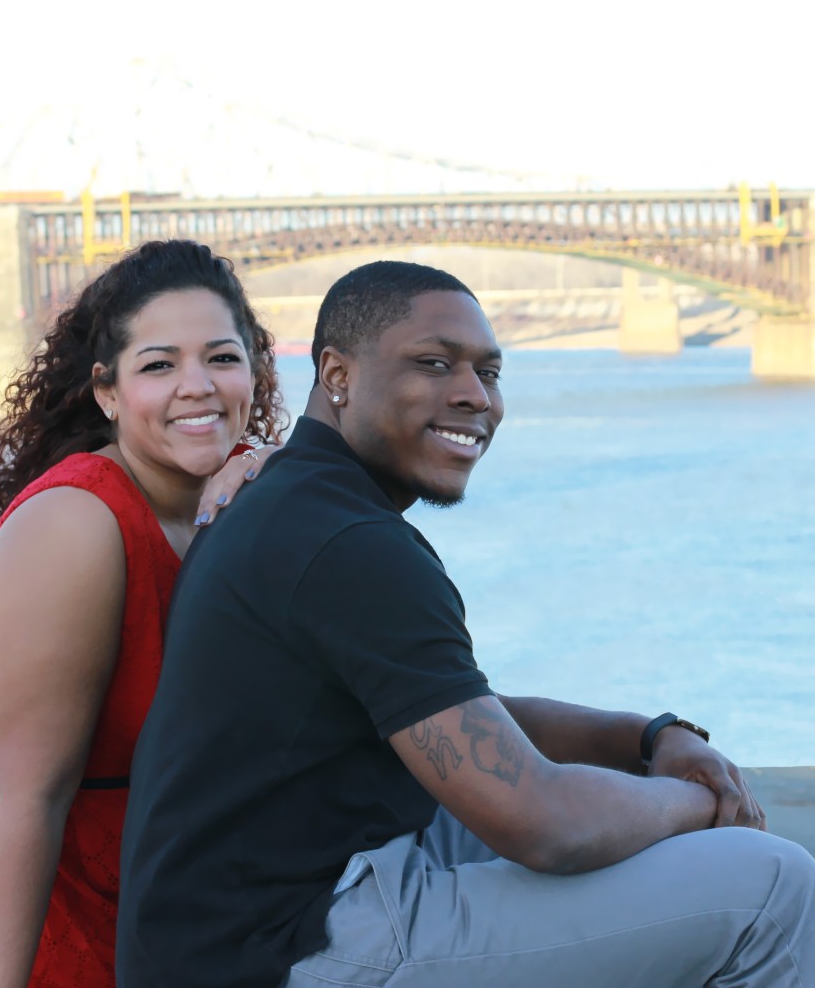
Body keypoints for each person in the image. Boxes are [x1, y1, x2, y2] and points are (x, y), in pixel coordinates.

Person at [116, 260, 815, 988]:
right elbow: (545, 826)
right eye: (433, 364)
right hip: (280, 948)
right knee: (769, 884)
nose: (474, 396)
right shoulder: (348, 543)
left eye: (489, 373)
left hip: (226, 928)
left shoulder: (290, 501)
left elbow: (454, 715)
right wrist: (700, 803)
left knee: (619, 820)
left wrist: (647, 738)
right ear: (337, 374)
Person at [0, 238, 287, 988]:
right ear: (108, 392)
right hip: (91, 915)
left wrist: (284, 481)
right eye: (159, 365)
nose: (197, 386)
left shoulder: (257, 497)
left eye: (222, 358)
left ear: (254, 373)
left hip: (221, 898)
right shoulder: (75, 523)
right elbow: (26, 797)